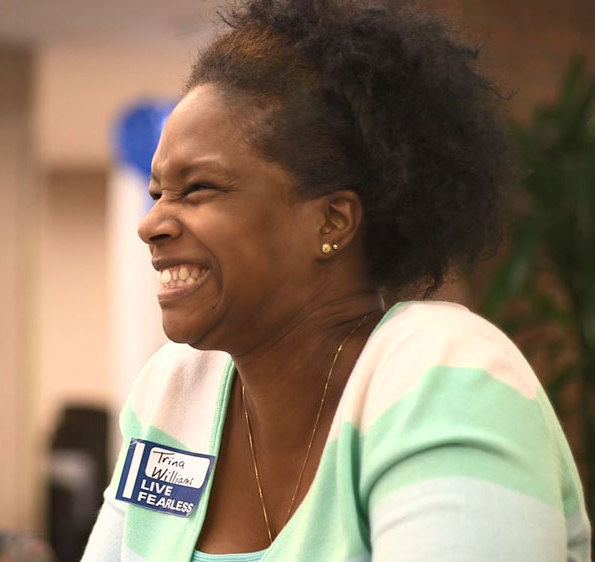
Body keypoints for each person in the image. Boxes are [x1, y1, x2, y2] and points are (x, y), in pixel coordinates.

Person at [82, 0, 591, 561]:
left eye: (198, 188)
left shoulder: (444, 378)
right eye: (157, 193)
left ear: (333, 221)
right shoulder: (175, 391)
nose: (150, 224)